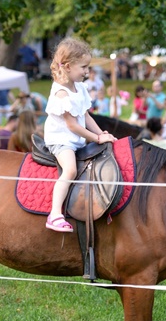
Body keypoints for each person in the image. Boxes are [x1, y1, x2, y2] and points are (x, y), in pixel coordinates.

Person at [44, 37, 117, 233]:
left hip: (75, 138)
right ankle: (55, 214)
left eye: (88, 67)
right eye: (83, 67)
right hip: (61, 140)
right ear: (67, 67)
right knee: (70, 170)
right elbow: (73, 125)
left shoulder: (80, 88)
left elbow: (85, 115)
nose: (87, 71)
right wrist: (96, 139)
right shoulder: (61, 93)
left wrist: (102, 133)